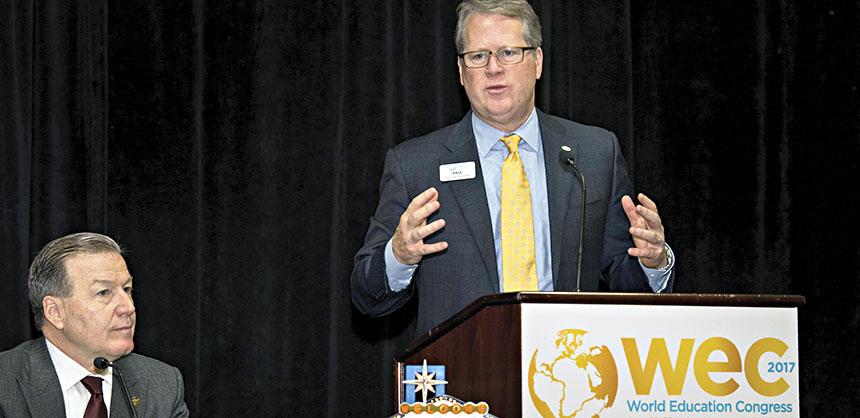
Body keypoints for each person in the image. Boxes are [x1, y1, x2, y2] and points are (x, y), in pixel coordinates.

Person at [351, 0, 676, 337]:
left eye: (508, 53)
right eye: (478, 56)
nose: (493, 68)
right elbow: (366, 296)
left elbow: (625, 281)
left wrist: (653, 262)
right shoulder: (415, 165)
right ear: (461, 71)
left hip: (564, 359)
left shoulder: (594, 153)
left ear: (537, 61)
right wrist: (398, 257)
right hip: (463, 363)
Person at [0, 232, 189, 418]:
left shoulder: (162, 385)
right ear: (55, 311)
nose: (128, 307)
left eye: (127, 289)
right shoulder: (5, 383)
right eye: (104, 292)